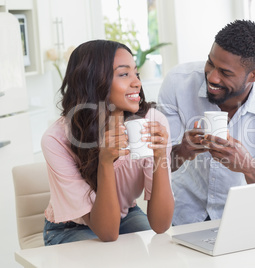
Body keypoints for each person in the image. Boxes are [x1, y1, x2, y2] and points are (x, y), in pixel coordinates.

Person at [157, 20, 255, 226]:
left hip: (239, 220)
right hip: (184, 214)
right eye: (210, 63)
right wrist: (183, 150)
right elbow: (157, 166)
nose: (212, 77)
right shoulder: (178, 83)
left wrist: (248, 167)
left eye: (226, 72)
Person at [41, 40, 174, 245]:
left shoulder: (152, 122)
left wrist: (160, 157)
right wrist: (105, 162)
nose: (137, 82)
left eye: (135, 73)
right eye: (123, 74)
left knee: (161, 247)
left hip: (125, 214)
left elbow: (161, 225)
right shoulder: (57, 139)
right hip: (70, 227)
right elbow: (108, 233)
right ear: (92, 81)